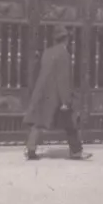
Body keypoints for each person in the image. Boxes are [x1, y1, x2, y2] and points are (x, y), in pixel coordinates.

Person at [22, 27, 90, 161]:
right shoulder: (63, 54)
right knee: (70, 123)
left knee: (38, 122)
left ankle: (30, 149)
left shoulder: (47, 52)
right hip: (55, 95)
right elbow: (63, 78)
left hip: (42, 92)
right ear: (66, 39)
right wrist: (65, 100)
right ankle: (76, 151)